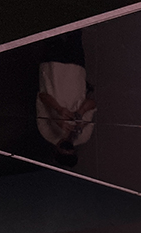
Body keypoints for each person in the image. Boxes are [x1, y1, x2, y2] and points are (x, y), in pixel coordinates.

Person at [37, 31, 96, 169]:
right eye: (71, 150)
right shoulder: (83, 137)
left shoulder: (47, 134)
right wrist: (80, 114)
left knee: (51, 34)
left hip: (53, 70)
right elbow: (92, 104)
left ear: (57, 150)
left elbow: (42, 97)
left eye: (64, 148)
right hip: (76, 72)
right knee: (75, 33)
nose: (68, 146)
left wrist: (58, 111)